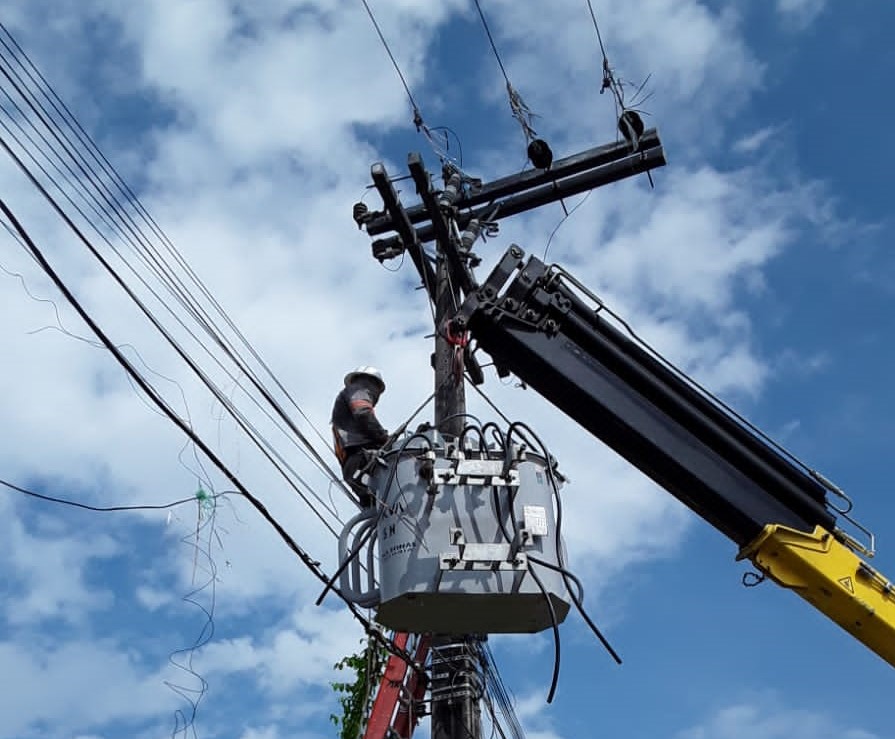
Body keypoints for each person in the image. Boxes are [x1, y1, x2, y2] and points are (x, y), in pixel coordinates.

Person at [331, 366, 389, 507]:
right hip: (362, 460)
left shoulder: (346, 400)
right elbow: (363, 413)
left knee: (379, 509)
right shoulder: (358, 390)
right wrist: (384, 438)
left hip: (354, 467)